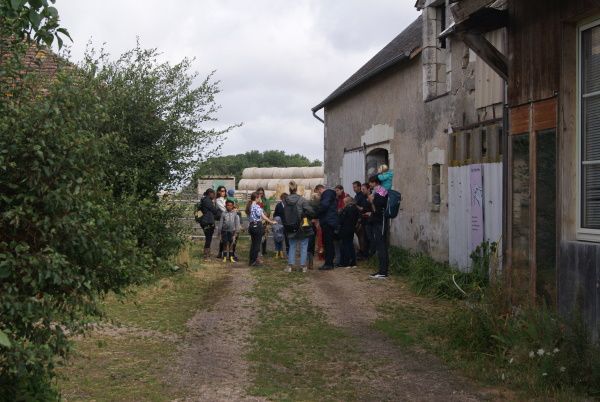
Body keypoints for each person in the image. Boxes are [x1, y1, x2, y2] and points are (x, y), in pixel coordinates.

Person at [283, 181, 315, 273]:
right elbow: (310, 211)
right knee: (304, 245)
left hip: (290, 225)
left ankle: (290, 266)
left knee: (292, 245)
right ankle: (303, 266)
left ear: (289, 189)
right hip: (302, 226)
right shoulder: (302, 199)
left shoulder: (285, 200)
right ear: (297, 189)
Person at [368, 176, 389, 279]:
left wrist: (372, 201)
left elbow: (379, 206)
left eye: (370, 183)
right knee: (380, 245)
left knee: (381, 246)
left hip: (381, 220)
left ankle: (383, 272)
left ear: (375, 183)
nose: (370, 185)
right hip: (377, 220)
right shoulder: (377, 191)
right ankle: (381, 270)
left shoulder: (381, 191)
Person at [246, 192, 275, 267]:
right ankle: (254, 261)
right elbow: (263, 216)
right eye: (259, 197)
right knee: (257, 245)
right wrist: (271, 221)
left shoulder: (249, 206)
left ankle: (251, 260)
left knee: (253, 244)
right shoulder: (256, 206)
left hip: (251, 226)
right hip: (257, 226)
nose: (260, 199)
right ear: (256, 198)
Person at [315, 184, 338, 270]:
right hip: (329, 221)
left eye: (318, 192)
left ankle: (329, 263)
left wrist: (316, 212)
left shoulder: (327, 194)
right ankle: (329, 262)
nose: (318, 194)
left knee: (328, 243)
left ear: (319, 189)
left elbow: (324, 206)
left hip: (328, 222)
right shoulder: (329, 194)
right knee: (328, 242)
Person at [197, 188, 220, 259]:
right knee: (208, 238)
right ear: (210, 193)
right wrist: (221, 213)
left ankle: (207, 253)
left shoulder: (205, 200)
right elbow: (214, 210)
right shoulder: (207, 201)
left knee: (208, 238)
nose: (214, 196)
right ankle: (206, 255)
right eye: (213, 194)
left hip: (206, 221)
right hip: (207, 222)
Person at [338, 196, 359, 268]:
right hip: (352, 229)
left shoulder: (346, 209)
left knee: (345, 245)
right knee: (351, 245)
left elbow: (341, 220)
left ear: (347, 202)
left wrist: (340, 212)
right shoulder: (356, 208)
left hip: (345, 229)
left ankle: (346, 263)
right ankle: (353, 263)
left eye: (344, 202)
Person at [354, 181, 370, 259]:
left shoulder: (363, 196)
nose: (354, 189)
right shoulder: (358, 196)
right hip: (361, 219)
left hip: (365, 220)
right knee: (362, 237)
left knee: (363, 237)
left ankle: (365, 253)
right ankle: (362, 252)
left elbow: (363, 209)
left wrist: (355, 205)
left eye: (355, 187)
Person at [256, 187, 271, 256]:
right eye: (259, 193)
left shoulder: (266, 200)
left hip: (265, 220)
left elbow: (268, 211)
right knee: (258, 236)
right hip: (257, 220)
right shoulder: (255, 200)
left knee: (264, 236)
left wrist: (266, 217)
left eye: (261, 193)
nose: (260, 194)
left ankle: (264, 250)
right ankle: (258, 250)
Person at [215, 186, 227, 258]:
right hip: (221, 220)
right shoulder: (218, 200)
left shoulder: (225, 199)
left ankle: (227, 253)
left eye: (224, 191)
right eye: (222, 191)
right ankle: (220, 252)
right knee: (223, 237)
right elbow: (223, 209)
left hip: (228, 219)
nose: (223, 192)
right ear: (219, 192)